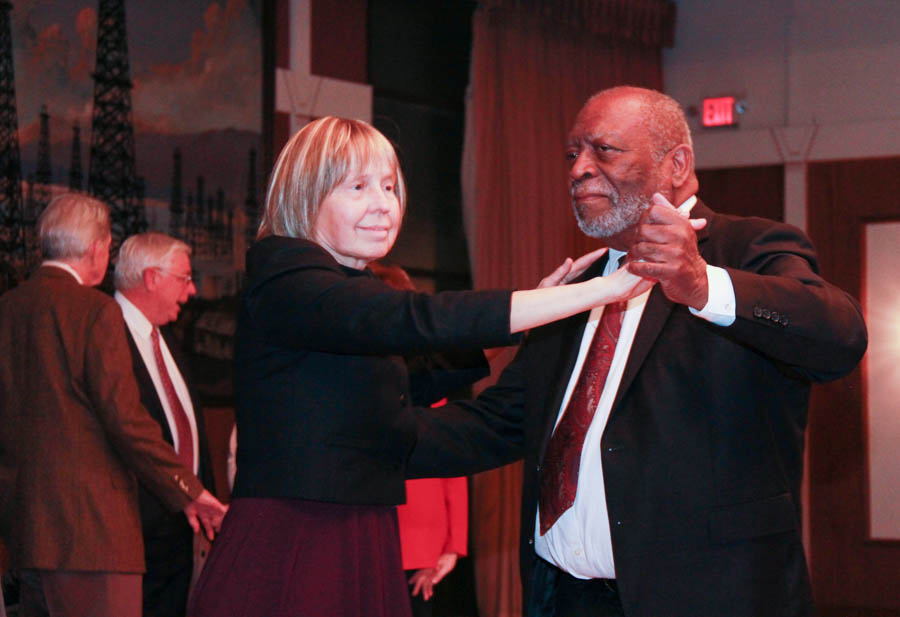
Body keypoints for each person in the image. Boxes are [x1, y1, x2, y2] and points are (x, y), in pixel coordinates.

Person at [187, 116, 656, 617]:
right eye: (359, 187)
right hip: (297, 538)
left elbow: (406, 375)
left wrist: (528, 319)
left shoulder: (337, 291)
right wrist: (602, 291)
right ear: (307, 196)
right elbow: (415, 321)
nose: (383, 205)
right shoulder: (288, 274)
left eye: (389, 187)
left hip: (356, 528)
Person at [474, 86, 867, 616]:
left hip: (706, 598)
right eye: (572, 154)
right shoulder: (578, 286)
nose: (578, 170)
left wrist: (704, 286)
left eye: (603, 150)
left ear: (676, 163)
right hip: (560, 596)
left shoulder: (748, 249)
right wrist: (361, 434)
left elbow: (839, 336)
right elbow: (498, 423)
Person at [0, 193, 227, 617]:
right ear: (97, 250)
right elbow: (126, 419)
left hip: (25, 533)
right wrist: (190, 491)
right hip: (95, 539)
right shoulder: (97, 311)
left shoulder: (8, 309)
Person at [114, 233, 215, 617]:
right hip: (134, 531)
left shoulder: (166, 339)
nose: (190, 291)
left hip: (180, 526)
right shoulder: (104, 335)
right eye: (184, 278)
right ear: (152, 277)